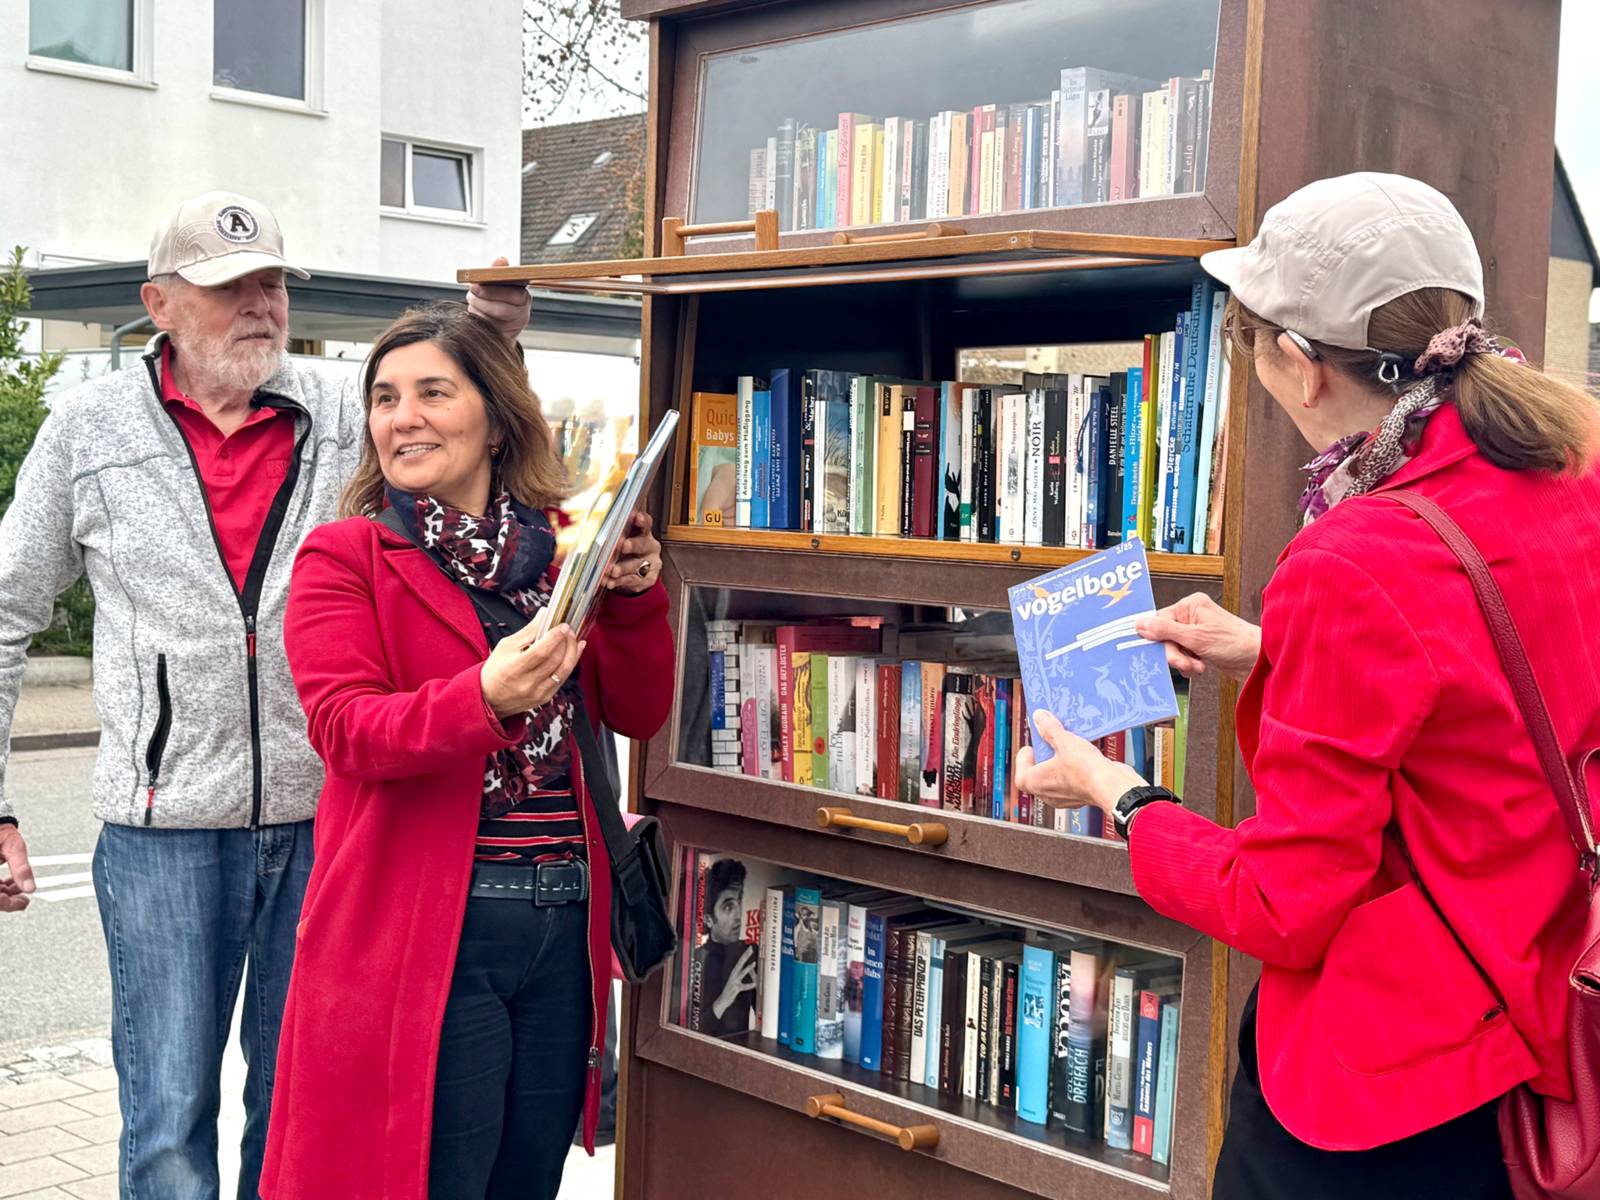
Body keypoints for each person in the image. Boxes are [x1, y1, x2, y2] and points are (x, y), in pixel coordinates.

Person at [1015, 173, 1599, 1199]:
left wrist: (1120, 794)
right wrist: (1273, 649)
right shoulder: (1571, 469)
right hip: (1547, 1011)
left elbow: (1282, 906)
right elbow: (1495, 689)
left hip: (1400, 1081)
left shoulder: (1352, 557)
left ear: (1298, 362)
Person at [0, 190, 532, 1200]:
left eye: (273, 283)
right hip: (160, 831)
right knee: (167, 1123)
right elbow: (4, 611)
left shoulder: (345, 406)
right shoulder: (87, 428)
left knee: (302, 1110)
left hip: (328, 820)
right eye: (227, 287)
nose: (259, 305)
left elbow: (466, 447)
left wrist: (497, 339)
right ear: (159, 303)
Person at [259, 302, 673, 1200]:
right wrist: (484, 699)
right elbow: (346, 730)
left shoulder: (561, 554)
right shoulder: (346, 556)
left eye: (433, 392)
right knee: (429, 1179)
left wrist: (636, 594)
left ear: (496, 418)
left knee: (527, 1182)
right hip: (432, 934)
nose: (402, 416)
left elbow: (639, 713)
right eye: (384, 398)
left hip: (565, 927)